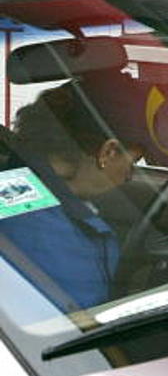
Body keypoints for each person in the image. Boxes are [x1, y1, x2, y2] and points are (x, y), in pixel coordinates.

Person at [0, 79, 146, 310]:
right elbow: (84, 324)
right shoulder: (50, 235)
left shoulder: (16, 186)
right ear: (107, 152)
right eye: (132, 164)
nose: (128, 177)